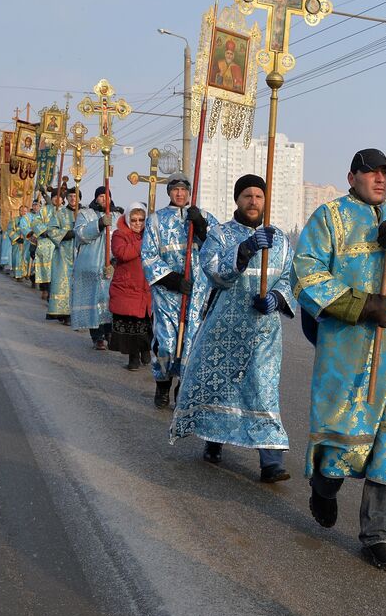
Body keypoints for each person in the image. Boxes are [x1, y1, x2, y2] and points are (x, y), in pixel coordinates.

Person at [291, 148, 386, 572]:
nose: (379, 180)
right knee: (342, 436)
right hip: (347, 348)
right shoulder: (329, 217)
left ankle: (379, 535)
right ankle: (324, 488)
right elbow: (304, 274)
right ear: (352, 176)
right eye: (370, 173)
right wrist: (360, 305)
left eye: (384, 173)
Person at [171, 174, 296, 483]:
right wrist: (245, 249)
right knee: (221, 387)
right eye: (247, 196)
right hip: (224, 327)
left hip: (263, 331)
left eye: (259, 196)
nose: (253, 201)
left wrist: (276, 298)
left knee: (263, 391)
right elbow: (214, 271)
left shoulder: (280, 239)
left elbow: (290, 278)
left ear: (266, 201)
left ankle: (271, 461)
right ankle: (214, 441)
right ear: (237, 200)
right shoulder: (221, 234)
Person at [141, 176, 213, 408]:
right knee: (167, 343)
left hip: (196, 293)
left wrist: (201, 225)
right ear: (169, 193)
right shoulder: (155, 220)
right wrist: (173, 280)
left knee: (191, 342)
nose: (180, 194)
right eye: (176, 190)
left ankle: (184, 387)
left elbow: (218, 246)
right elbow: (149, 255)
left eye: (183, 190)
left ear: (189, 192)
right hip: (167, 292)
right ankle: (162, 384)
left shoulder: (202, 215)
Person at [109, 203, 154, 371]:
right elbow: (123, 253)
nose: (137, 223)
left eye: (141, 220)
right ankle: (133, 356)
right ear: (128, 219)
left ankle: (145, 349)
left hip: (146, 286)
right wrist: (144, 242)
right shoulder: (120, 235)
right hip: (127, 286)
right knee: (131, 324)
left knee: (145, 323)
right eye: (134, 220)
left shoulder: (150, 234)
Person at [70, 186, 116, 349]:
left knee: (109, 302)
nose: (104, 199)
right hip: (90, 267)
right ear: (96, 198)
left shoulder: (117, 216)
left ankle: (110, 334)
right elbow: (80, 234)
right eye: (101, 196)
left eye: (107, 196)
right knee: (93, 302)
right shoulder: (85, 214)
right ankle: (97, 337)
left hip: (110, 268)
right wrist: (99, 223)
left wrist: (115, 262)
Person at [45, 188, 81, 324]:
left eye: (75, 196)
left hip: (80, 253)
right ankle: (63, 313)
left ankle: (77, 313)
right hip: (63, 254)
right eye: (71, 196)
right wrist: (67, 234)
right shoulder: (60, 214)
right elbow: (51, 230)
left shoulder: (84, 214)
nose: (73, 199)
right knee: (63, 284)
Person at [32, 197, 55, 299]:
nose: (57, 199)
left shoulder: (64, 211)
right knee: (44, 268)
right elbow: (35, 222)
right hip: (45, 242)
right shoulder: (44, 210)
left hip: (58, 244)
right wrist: (44, 231)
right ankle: (45, 288)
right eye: (54, 197)